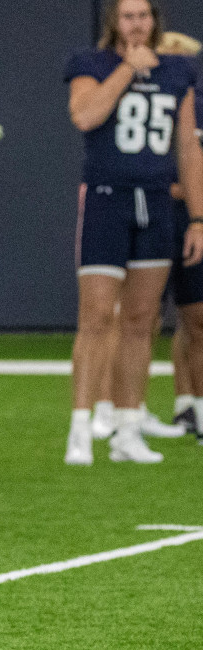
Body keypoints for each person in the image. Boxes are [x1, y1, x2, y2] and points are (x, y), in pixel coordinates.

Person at [64, 0, 203, 465]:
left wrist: (199, 218)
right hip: (107, 198)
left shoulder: (178, 69)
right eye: (128, 16)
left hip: (158, 201)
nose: (137, 23)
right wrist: (126, 68)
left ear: (156, 21)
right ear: (113, 22)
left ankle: (128, 425)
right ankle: (81, 426)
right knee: (98, 316)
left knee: (143, 320)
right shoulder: (91, 63)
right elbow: (85, 116)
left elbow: (187, 145)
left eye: (144, 15)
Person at [160, 31, 203, 441]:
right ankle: (115, 410)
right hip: (157, 213)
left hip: (195, 218)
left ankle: (194, 404)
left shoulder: (196, 108)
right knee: (140, 316)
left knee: (195, 318)